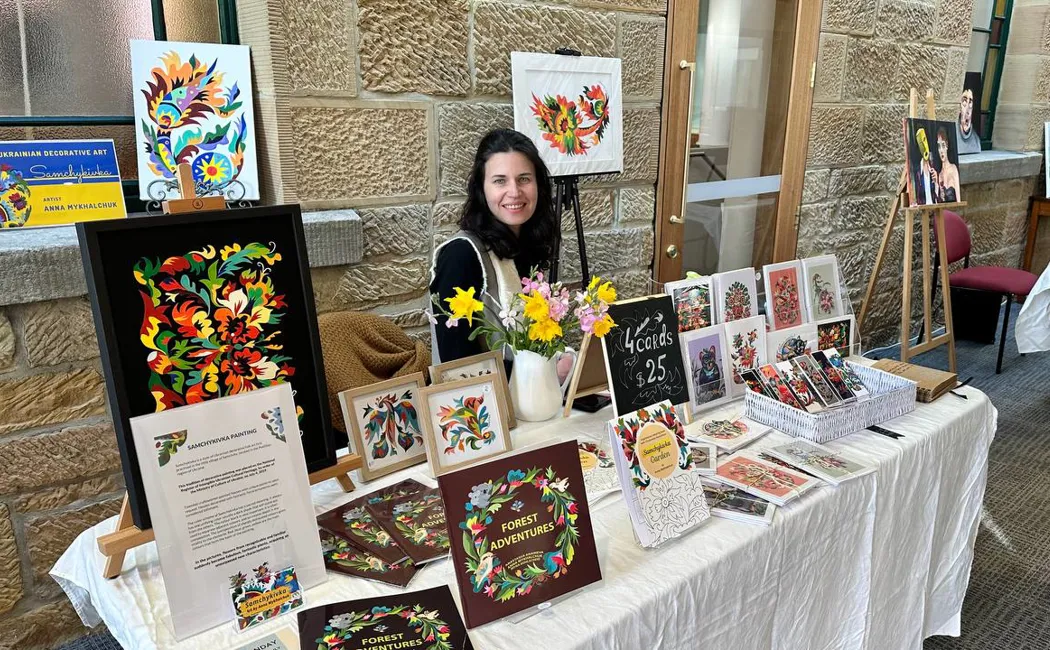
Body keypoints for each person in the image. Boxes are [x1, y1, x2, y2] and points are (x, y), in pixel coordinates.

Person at [429, 128, 558, 365]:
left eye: (524, 179)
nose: (514, 192)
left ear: (538, 184)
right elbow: (457, 365)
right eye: (500, 181)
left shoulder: (525, 247)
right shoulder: (462, 255)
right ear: (481, 189)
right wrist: (542, 372)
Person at [935, 127, 960, 203]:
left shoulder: (953, 169)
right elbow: (936, 203)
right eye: (939, 146)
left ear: (947, 146)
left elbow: (959, 200)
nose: (941, 150)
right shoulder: (939, 174)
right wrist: (936, 183)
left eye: (943, 145)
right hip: (942, 213)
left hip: (954, 211)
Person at [957, 87, 982, 154]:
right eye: (964, 101)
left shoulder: (976, 140)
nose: (968, 109)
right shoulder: (954, 134)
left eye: (970, 102)